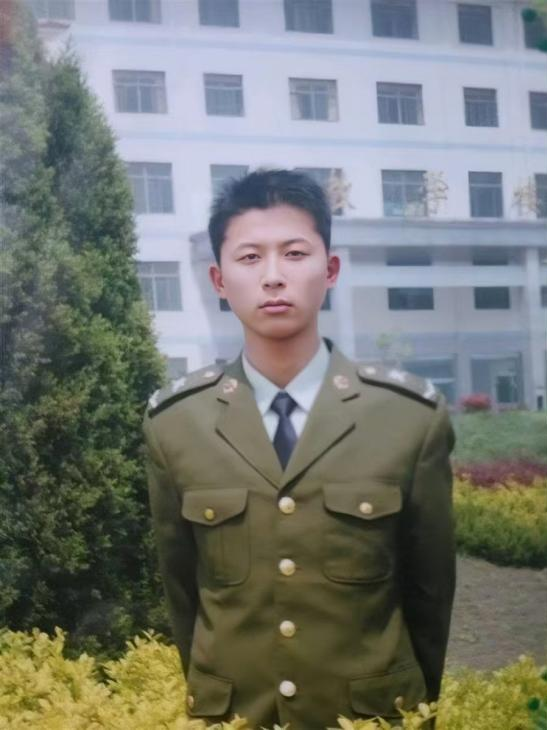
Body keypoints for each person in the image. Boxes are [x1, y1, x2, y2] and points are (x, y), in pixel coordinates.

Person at [143, 169, 456, 730]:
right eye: (249, 258)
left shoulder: (408, 418)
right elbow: (184, 592)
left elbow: (430, 595)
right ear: (218, 280)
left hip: (371, 717)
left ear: (329, 269)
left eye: (294, 254)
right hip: (237, 716)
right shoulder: (177, 424)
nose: (272, 277)